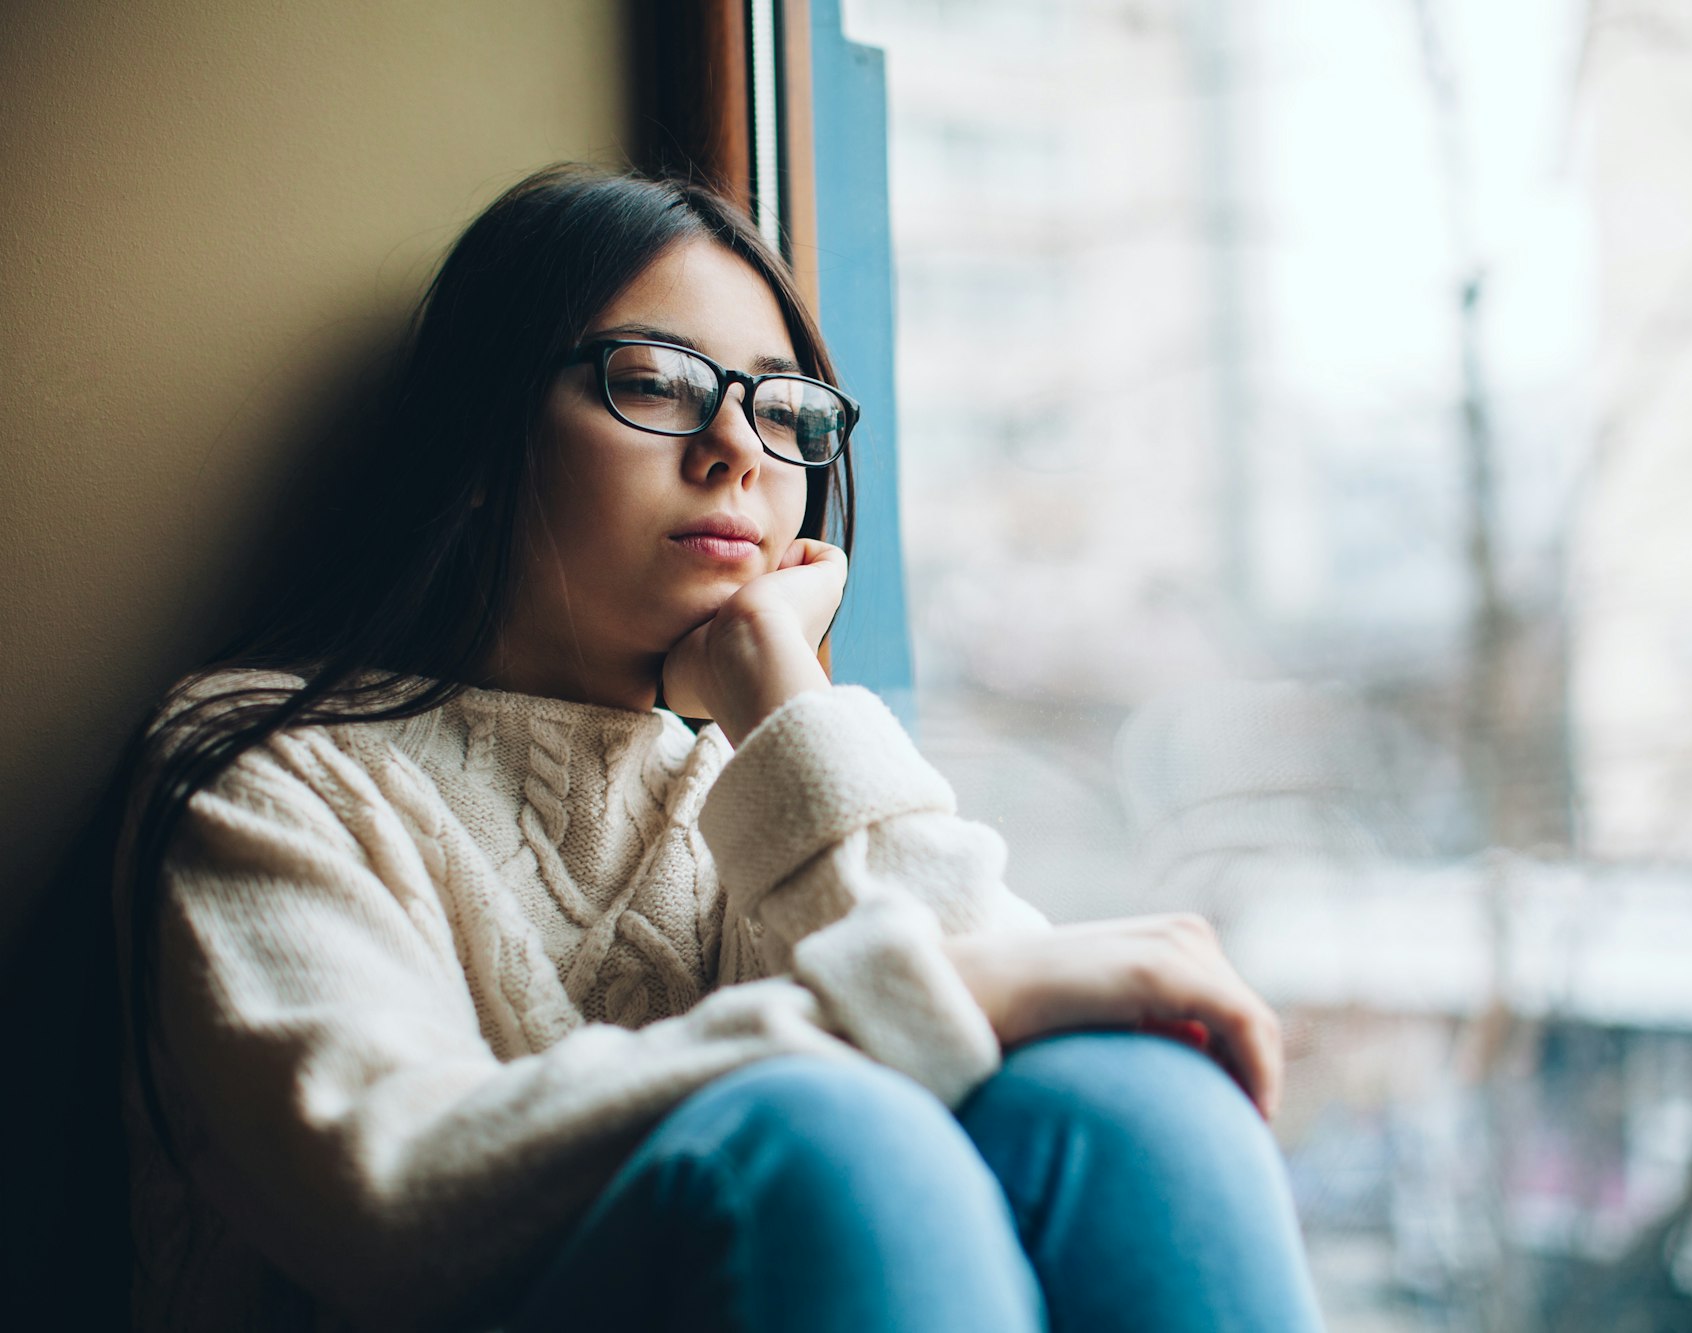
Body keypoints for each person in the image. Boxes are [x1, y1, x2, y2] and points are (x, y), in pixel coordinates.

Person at [115, 163, 1323, 1332]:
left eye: (785, 410)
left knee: (1128, 1099)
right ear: (483, 437)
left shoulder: (749, 783)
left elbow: (1002, 1012)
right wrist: (930, 997)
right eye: (655, 382)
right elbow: (387, 1190)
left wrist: (783, 706)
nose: (738, 450)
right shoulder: (263, 763)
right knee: (829, 1137)